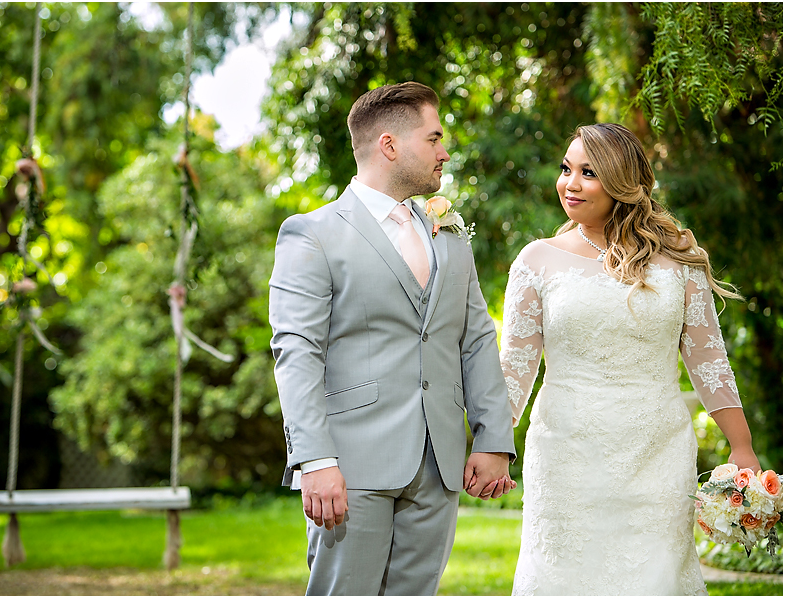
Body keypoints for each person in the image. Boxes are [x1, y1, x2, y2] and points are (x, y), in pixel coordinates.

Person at [269, 81, 517, 596]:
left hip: (438, 465)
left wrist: (493, 439)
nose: (444, 152)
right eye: (434, 138)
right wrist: (314, 460)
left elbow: (474, 340)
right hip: (350, 464)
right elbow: (297, 353)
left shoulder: (449, 235)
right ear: (389, 145)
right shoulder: (312, 234)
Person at [500, 123, 761, 595]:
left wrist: (740, 447)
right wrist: (493, 445)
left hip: (657, 453)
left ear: (623, 182)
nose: (570, 183)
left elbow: (709, 360)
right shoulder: (537, 261)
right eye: (566, 168)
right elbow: (515, 370)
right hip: (566, 453)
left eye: (588, 172)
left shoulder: (679, 261)